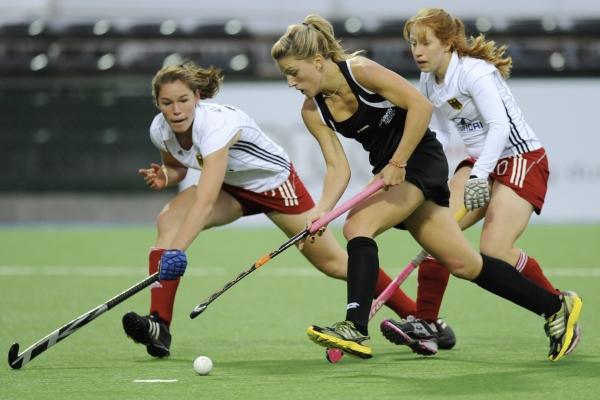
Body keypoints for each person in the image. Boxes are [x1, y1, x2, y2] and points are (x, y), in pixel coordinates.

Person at [271, 14, 582, 362]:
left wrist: (398, 162)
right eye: (286, 74)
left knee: (358, 226)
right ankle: (554, 306)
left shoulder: (361, 72)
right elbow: (337, 167)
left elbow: (420, 106)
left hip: (419, 159)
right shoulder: (312, 111)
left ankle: (355, 326)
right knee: (464, 263)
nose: (290, 82)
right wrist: (322, 209)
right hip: (393, 169)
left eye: (293, 72)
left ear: (317, 60)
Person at [120, 61, 452, 358]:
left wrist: (177, 251)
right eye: (167, 103)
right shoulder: (160, 129)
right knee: (169, 220)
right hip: (232, 189)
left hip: (275, 186)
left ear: (197, 96)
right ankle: (159, 324)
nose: (176, 110)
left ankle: (419, 318)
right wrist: (167, 175)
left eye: (183, 100)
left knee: (335, 263)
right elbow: (178, 165)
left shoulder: (215, 125)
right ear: (158, 104)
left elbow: (205, 201)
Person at [379, 7, 581, 357]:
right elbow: (441, 134)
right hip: (479, 162)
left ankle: (557, 306)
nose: (418, 51)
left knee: (494, 250)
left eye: (425, 43)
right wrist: (427, 172)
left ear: (447, 42)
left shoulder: (475, 73)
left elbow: (499, 127)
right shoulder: (428, 81)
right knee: (438, 233)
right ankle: (427, 323)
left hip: (520, 158)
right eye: (413, 43)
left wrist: (480, 175)